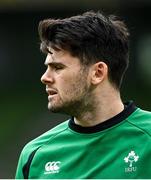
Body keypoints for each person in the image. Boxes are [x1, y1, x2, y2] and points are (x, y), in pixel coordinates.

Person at [15, 10, 151, 179]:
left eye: (57, 67)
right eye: (47, 67)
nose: (45, 78)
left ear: (97, 73)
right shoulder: (35, 155)